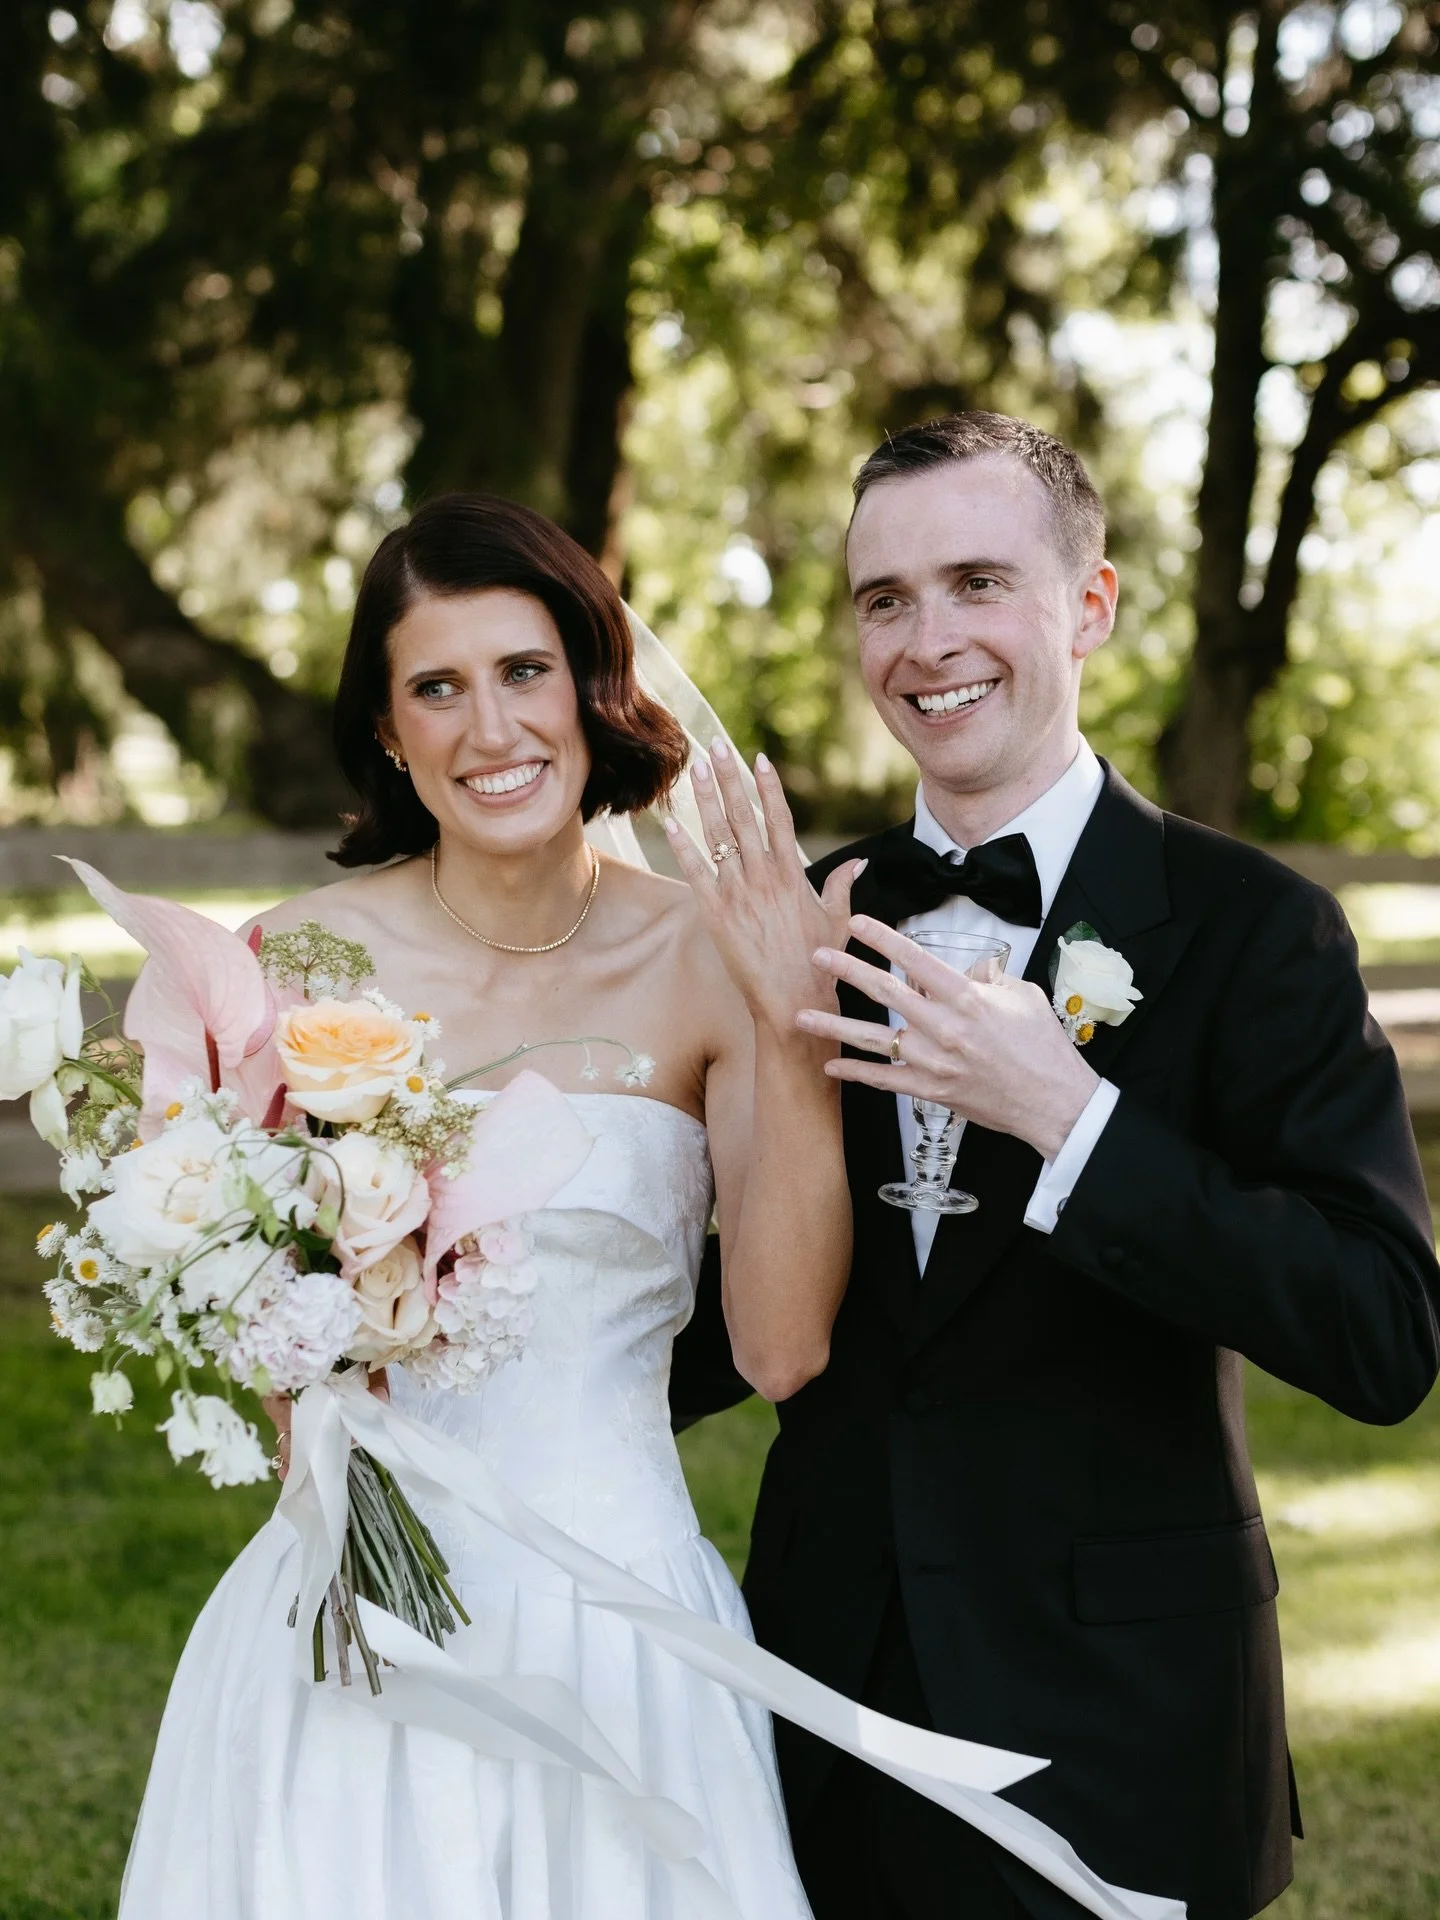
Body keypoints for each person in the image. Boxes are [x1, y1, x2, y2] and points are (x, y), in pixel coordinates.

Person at [670, 411, 1440, 1920]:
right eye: (884, 598)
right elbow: (724, 1322)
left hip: (1124, 1717)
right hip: (829, 1697)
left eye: (975, 581)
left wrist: (1073, 1121)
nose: (925, 638)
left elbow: (1381, 1333)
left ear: (1087, 607)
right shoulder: (806, 919)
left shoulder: (1255, 931)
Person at [118, 492, 863, 1919]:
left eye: (524, 672)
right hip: (352, 1620)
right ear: (390, 733)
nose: (490, 728)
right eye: (436, 689)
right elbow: (251, 1328)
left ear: (594, 688)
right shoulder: (292, 965)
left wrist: (789, 1034)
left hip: (621, 1614)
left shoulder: (714, 959)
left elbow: (778, 1350)